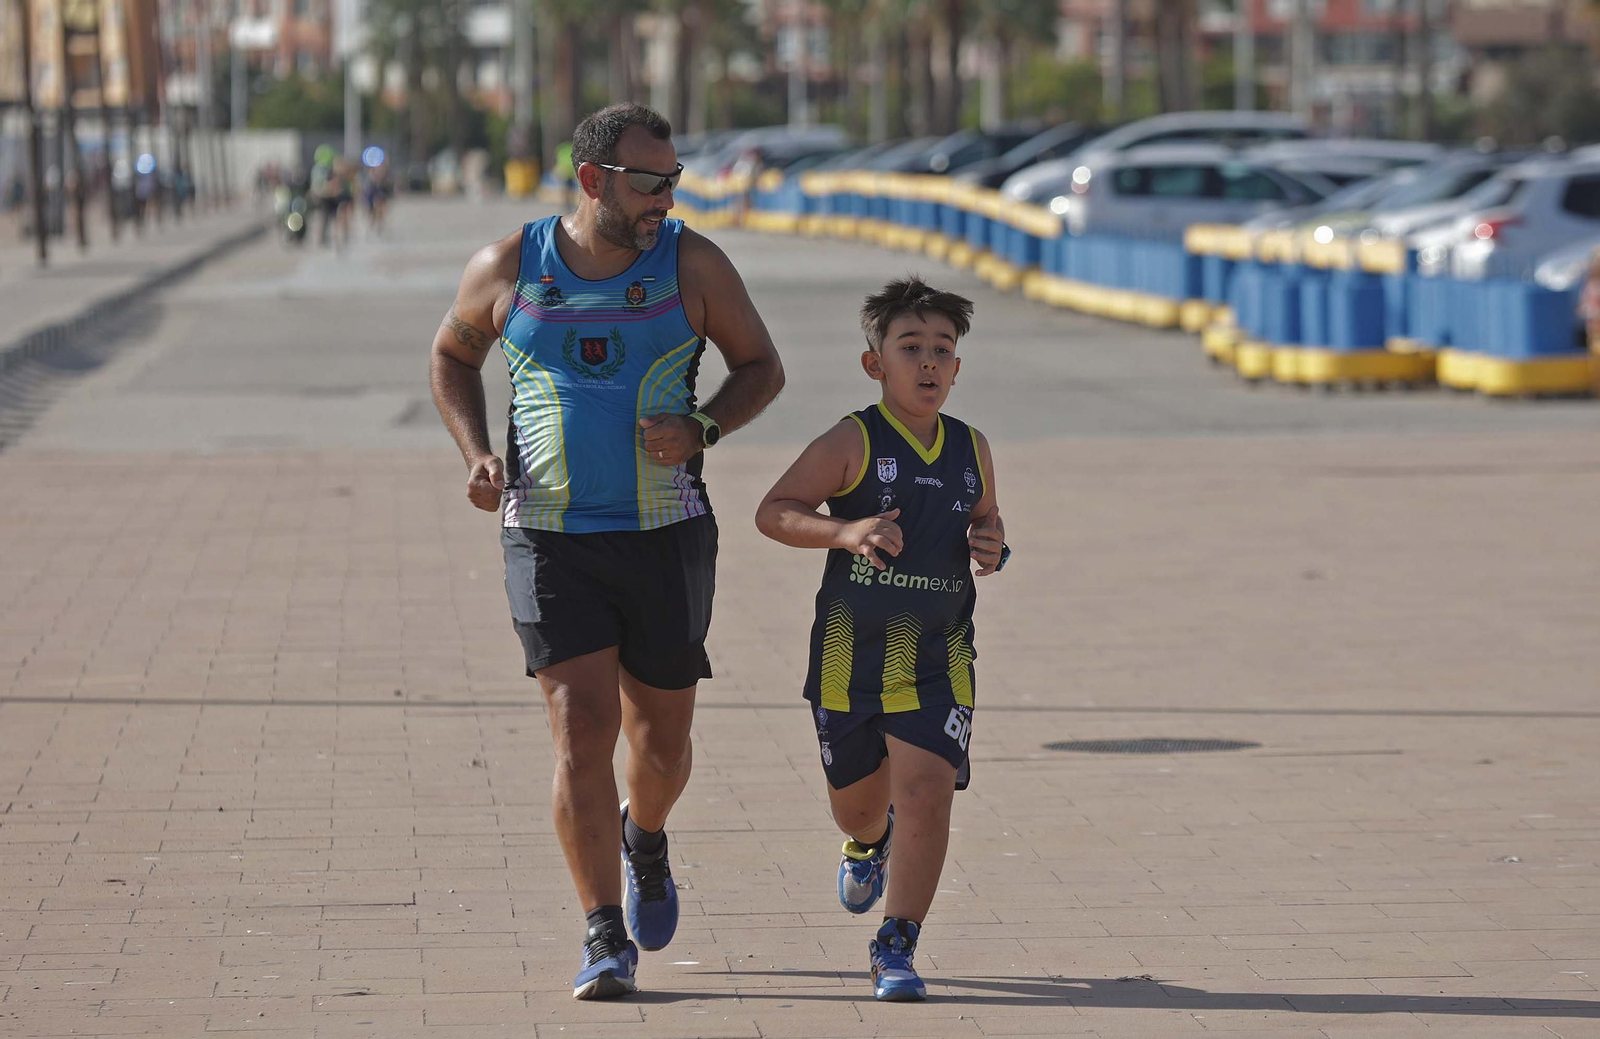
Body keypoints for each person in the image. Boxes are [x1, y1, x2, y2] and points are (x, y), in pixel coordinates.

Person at [429, 102, 785, 1000]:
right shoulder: (510, 265)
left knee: (660, 746)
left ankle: (646, 836)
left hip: (666, 533)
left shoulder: (693, 263)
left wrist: (703, 424)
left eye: (674, 178)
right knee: (580, 729)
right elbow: (450, 356)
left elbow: (761, 368)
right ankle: (602, 931)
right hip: (547, 535)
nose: (670, 194)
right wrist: (476, 452)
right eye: (651, 180)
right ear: (594, 181)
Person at [754, 276, 1007, 1002]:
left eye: (943, 350)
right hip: (848, 660)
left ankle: (896, 943)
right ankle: (868, 843)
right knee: (861, 805)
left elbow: (987, 525)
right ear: (876, 364)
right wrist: (844, 530)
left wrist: (992, 546)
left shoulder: (971, 448)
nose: (928, 363)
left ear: (958, 367)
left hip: (939, 656)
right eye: (911, 348)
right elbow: (774, 511)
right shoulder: (853, 440)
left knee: (927, 789)